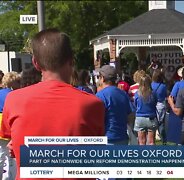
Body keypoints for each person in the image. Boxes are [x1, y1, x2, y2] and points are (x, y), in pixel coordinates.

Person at [0, 28, 105, 180]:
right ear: (71, 60)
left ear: (35, 63)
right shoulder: (93, 104)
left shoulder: (14, 99)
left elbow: (13, 144)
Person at [96, 65, 134, 145]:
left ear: (102, 78)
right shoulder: (123, 94)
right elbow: (131, 116)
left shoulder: (100, 96)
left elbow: (97, 120)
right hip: (123, 138)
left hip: (107, 139)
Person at [0, 72, 21, 180]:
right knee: (11, 156)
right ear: (13, 82)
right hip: (8, 125)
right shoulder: (14, 95)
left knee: (2, 154)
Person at [134, 74, 158, 145]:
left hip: (140, 117)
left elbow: (135, 104)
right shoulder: (153, 93)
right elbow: (155, 103)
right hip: (151, 117)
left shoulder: (137, 93)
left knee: (141, 142)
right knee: (151, 142)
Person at [151, 69, 167, 144]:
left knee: (153, 123)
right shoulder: (163, 86)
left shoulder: (151, 85)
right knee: (161, 123)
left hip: (152, 104)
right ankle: (164, 140)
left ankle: (152, 139)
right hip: (161, 104)